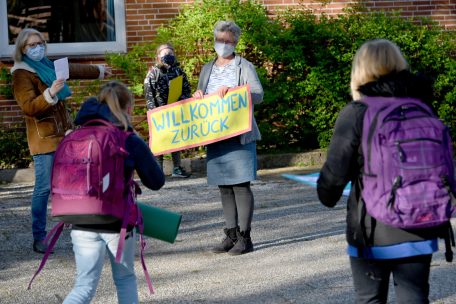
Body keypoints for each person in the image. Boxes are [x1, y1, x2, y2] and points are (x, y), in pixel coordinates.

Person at [317, 39, 442, 303]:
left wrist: (326, 194)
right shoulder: (422, 108)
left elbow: (334, 178)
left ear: (360, 71)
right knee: (415, 298)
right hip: (420, 223)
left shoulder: (356, 113)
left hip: (372, 229)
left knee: (370, 299)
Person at [63, 81, 165, 304]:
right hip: (116, 222)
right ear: (128, 108)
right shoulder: (129, 140)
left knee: (83, 287)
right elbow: (156, 181)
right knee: (125, 279)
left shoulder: (77, 135)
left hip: (79, 219)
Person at [11, 28, 110, 254]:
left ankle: (84, 229)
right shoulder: (21, 73)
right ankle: (39, 237)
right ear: (22, 49)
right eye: (32, 45)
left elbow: (73, 69)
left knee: (74, 184)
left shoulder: (46, 64)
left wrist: (99, 71)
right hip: (44, 140)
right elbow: (28, 107)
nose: (37, 48)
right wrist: (50, 93)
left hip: (65, 135)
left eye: (40, 43)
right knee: (44, 188)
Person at [193, 21, 264, 255]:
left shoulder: (244, 66)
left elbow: (258, 94)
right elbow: (201, 97)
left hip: (238, 133)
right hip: (215, 134)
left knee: (240, 184)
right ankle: (230, 234)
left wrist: (233, 93)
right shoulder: (207, 68)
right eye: (220, 39)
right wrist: (198, 95)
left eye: (228, 41)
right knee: (224, 186)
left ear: (235, 43)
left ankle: (245, 237)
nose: (223, 44)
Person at [144, 43, 192, 178]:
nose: (168, 56)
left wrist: (181, 101)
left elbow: (186, 90)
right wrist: (154, 112)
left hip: (175, 111)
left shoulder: (178, 71)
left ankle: (177, 167)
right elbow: (149, 95)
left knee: (176, 139)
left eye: (170, 53)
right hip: (159, 113)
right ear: (158, 56)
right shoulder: (153, 73)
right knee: (159, 140)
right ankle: (157, 169)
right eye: (165, 54)